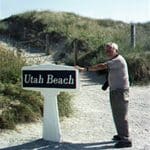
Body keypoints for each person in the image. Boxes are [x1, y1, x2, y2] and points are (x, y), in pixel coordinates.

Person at [75, 42, 132, 148]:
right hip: (116, 91)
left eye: (110, 49)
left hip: (120, 91)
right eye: (107, 50)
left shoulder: (117, 60)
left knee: (121, 115)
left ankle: (126, 139)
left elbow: (102, 66)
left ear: (116, 50)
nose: (108, 51)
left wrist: (85, 69)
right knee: (117, 114)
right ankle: (121, 135)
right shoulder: (114, 60)